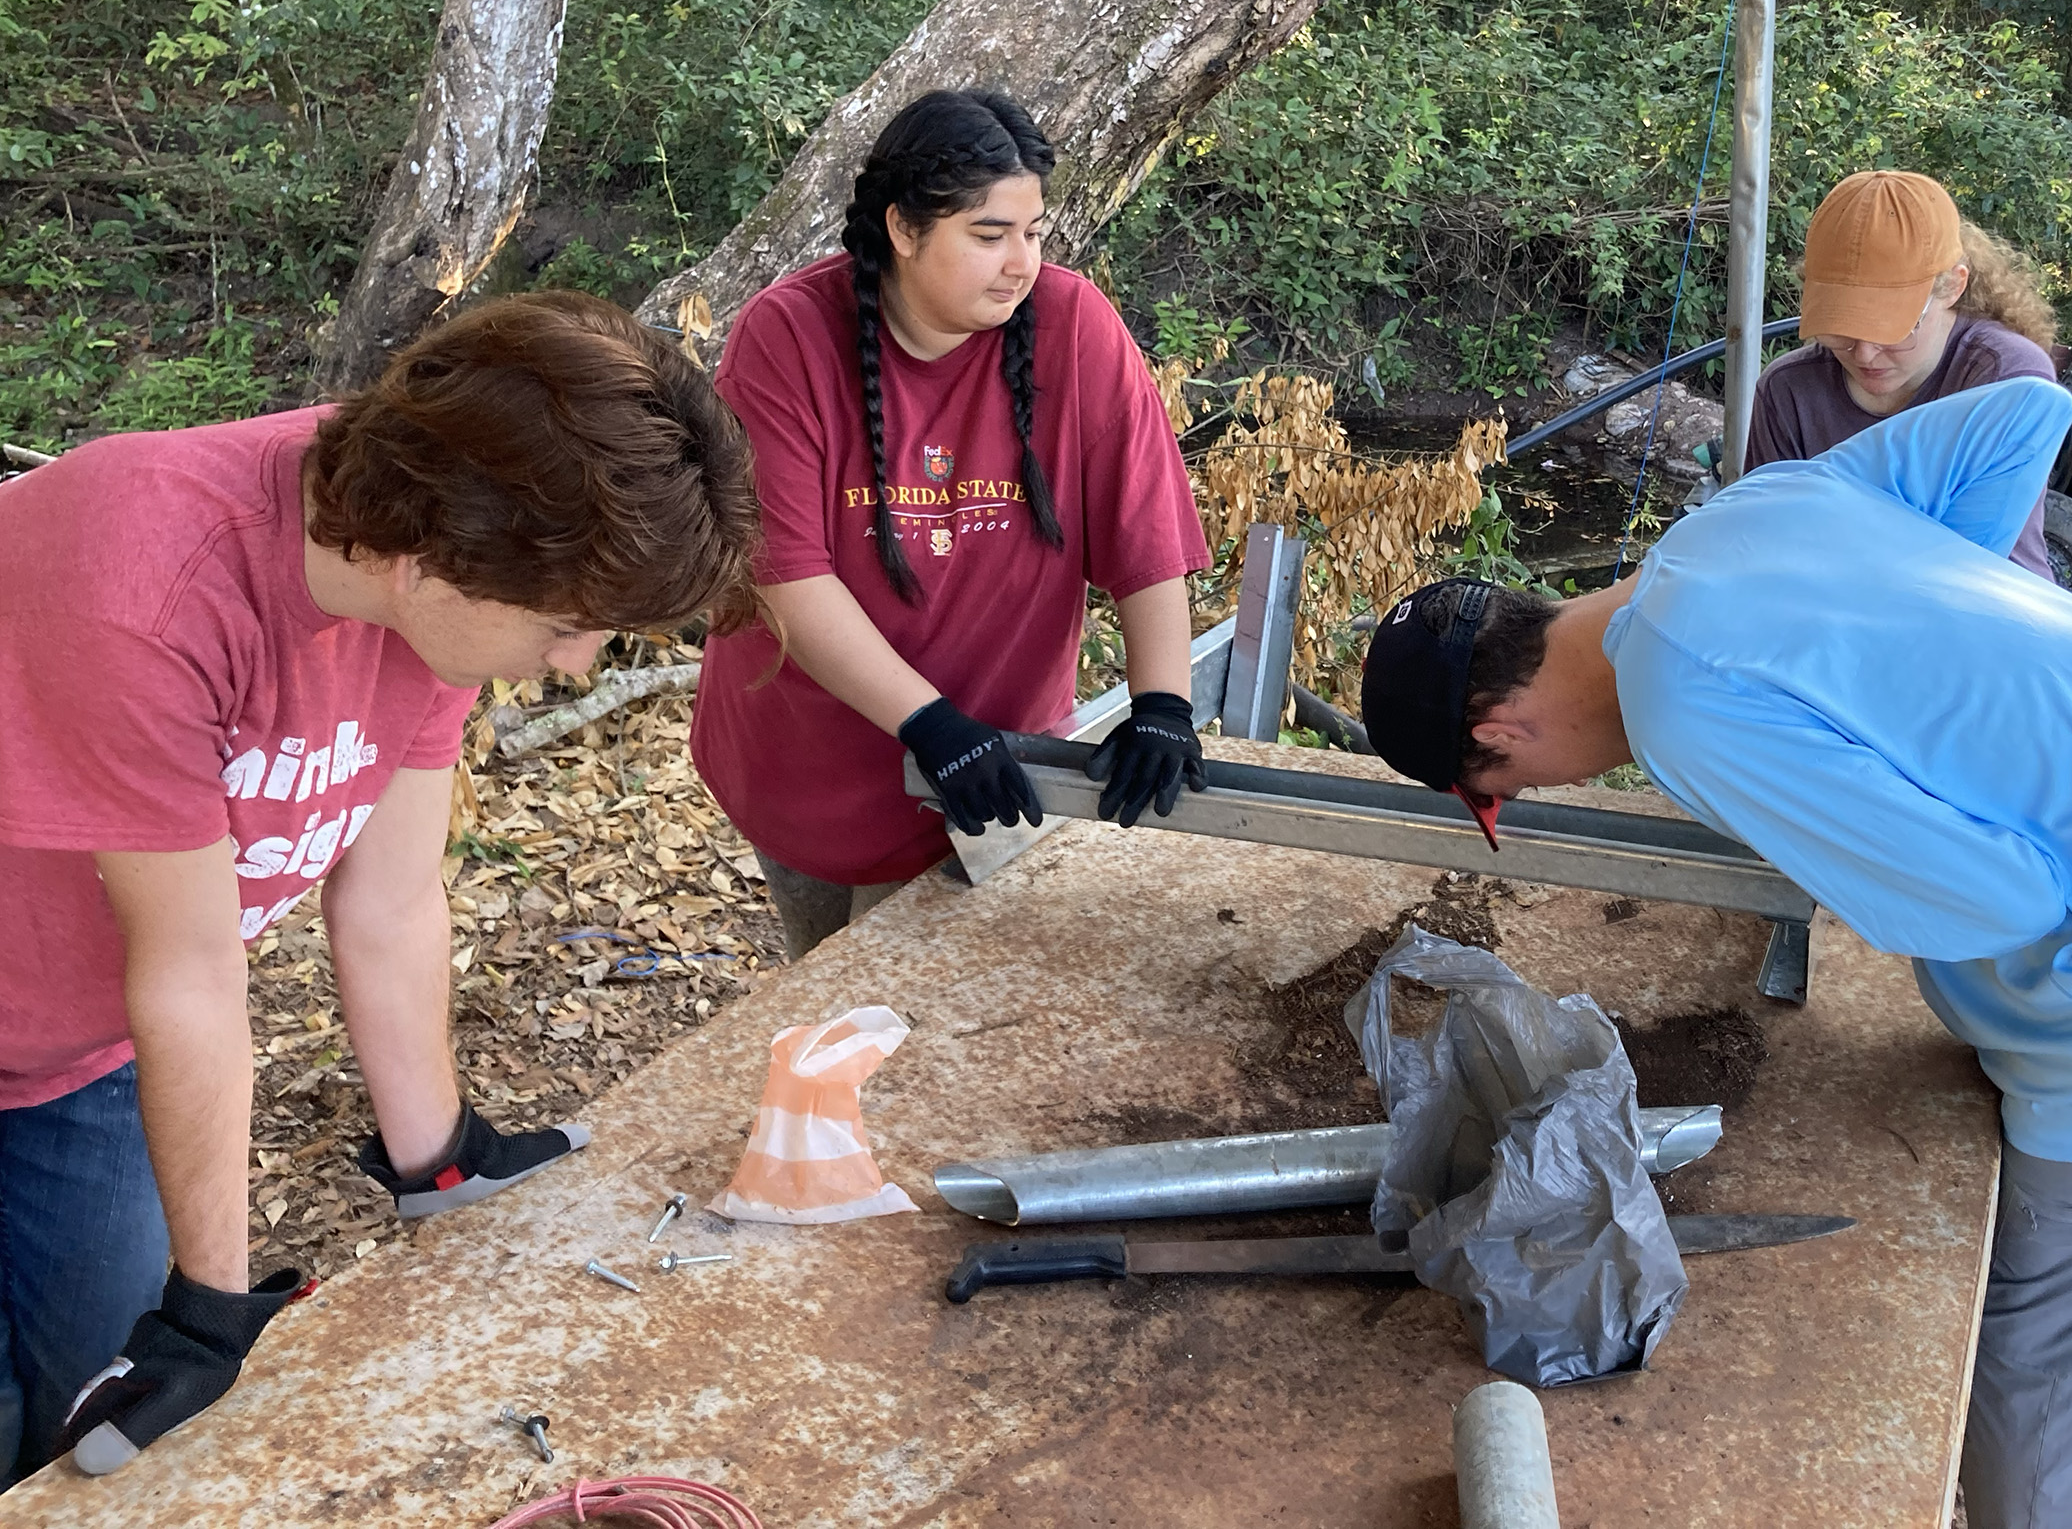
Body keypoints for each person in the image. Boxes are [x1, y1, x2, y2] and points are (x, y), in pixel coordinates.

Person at [1359, 377, 2072, 1529]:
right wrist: (1946, 668)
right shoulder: (1744, 517)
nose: (1522, 799)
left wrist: (1860, 822)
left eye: (1496, 796)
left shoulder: (1680, 704)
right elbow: (2023, 413)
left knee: (2027, 1428)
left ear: (1497, 736)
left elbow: (1994, 896)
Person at [0, 291, 759, 1483]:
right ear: (425, 558)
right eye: (569, 627)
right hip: (98, 1003)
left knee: (87, 1417)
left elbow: (390, 899)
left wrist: (440, 1156)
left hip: (71, 1054)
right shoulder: (148, 580)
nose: (575, 662)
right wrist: (209, 1301)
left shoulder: (452, 557)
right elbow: (191, 975)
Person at [692, 89, 1211, 959]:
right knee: (839, 1013)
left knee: (937, 1027)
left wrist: (1164, 704)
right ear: (902, 228)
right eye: (988, 234)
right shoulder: (785, 335)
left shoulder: (1076, 326)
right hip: (809, 758)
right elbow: (783, 572)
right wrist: (929, 725)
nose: (1021, 264)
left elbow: (1146, 531)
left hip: (996, 769)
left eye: (1034, 232)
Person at [1747, 169, 2063, 579]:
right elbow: (1761, 547)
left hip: (1983, 613)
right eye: (1842, 327)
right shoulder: (1789, 391)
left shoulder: (2007, 381)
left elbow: (1965, 568)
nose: (1864, 353)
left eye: (1893, 329)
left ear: (1952, 286)